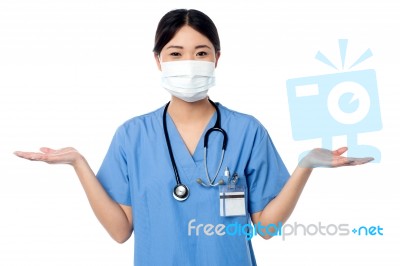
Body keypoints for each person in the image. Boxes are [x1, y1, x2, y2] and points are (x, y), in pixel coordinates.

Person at [14, 9, 373, 266]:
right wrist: (78, 163)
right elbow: (121, 231)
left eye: (201, 53)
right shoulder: (132, 136)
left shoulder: (247, 131)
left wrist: (305, 166)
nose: (189, 62)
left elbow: (267, 228)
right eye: (176, 53)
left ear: (216, 58)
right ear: (158, 60)